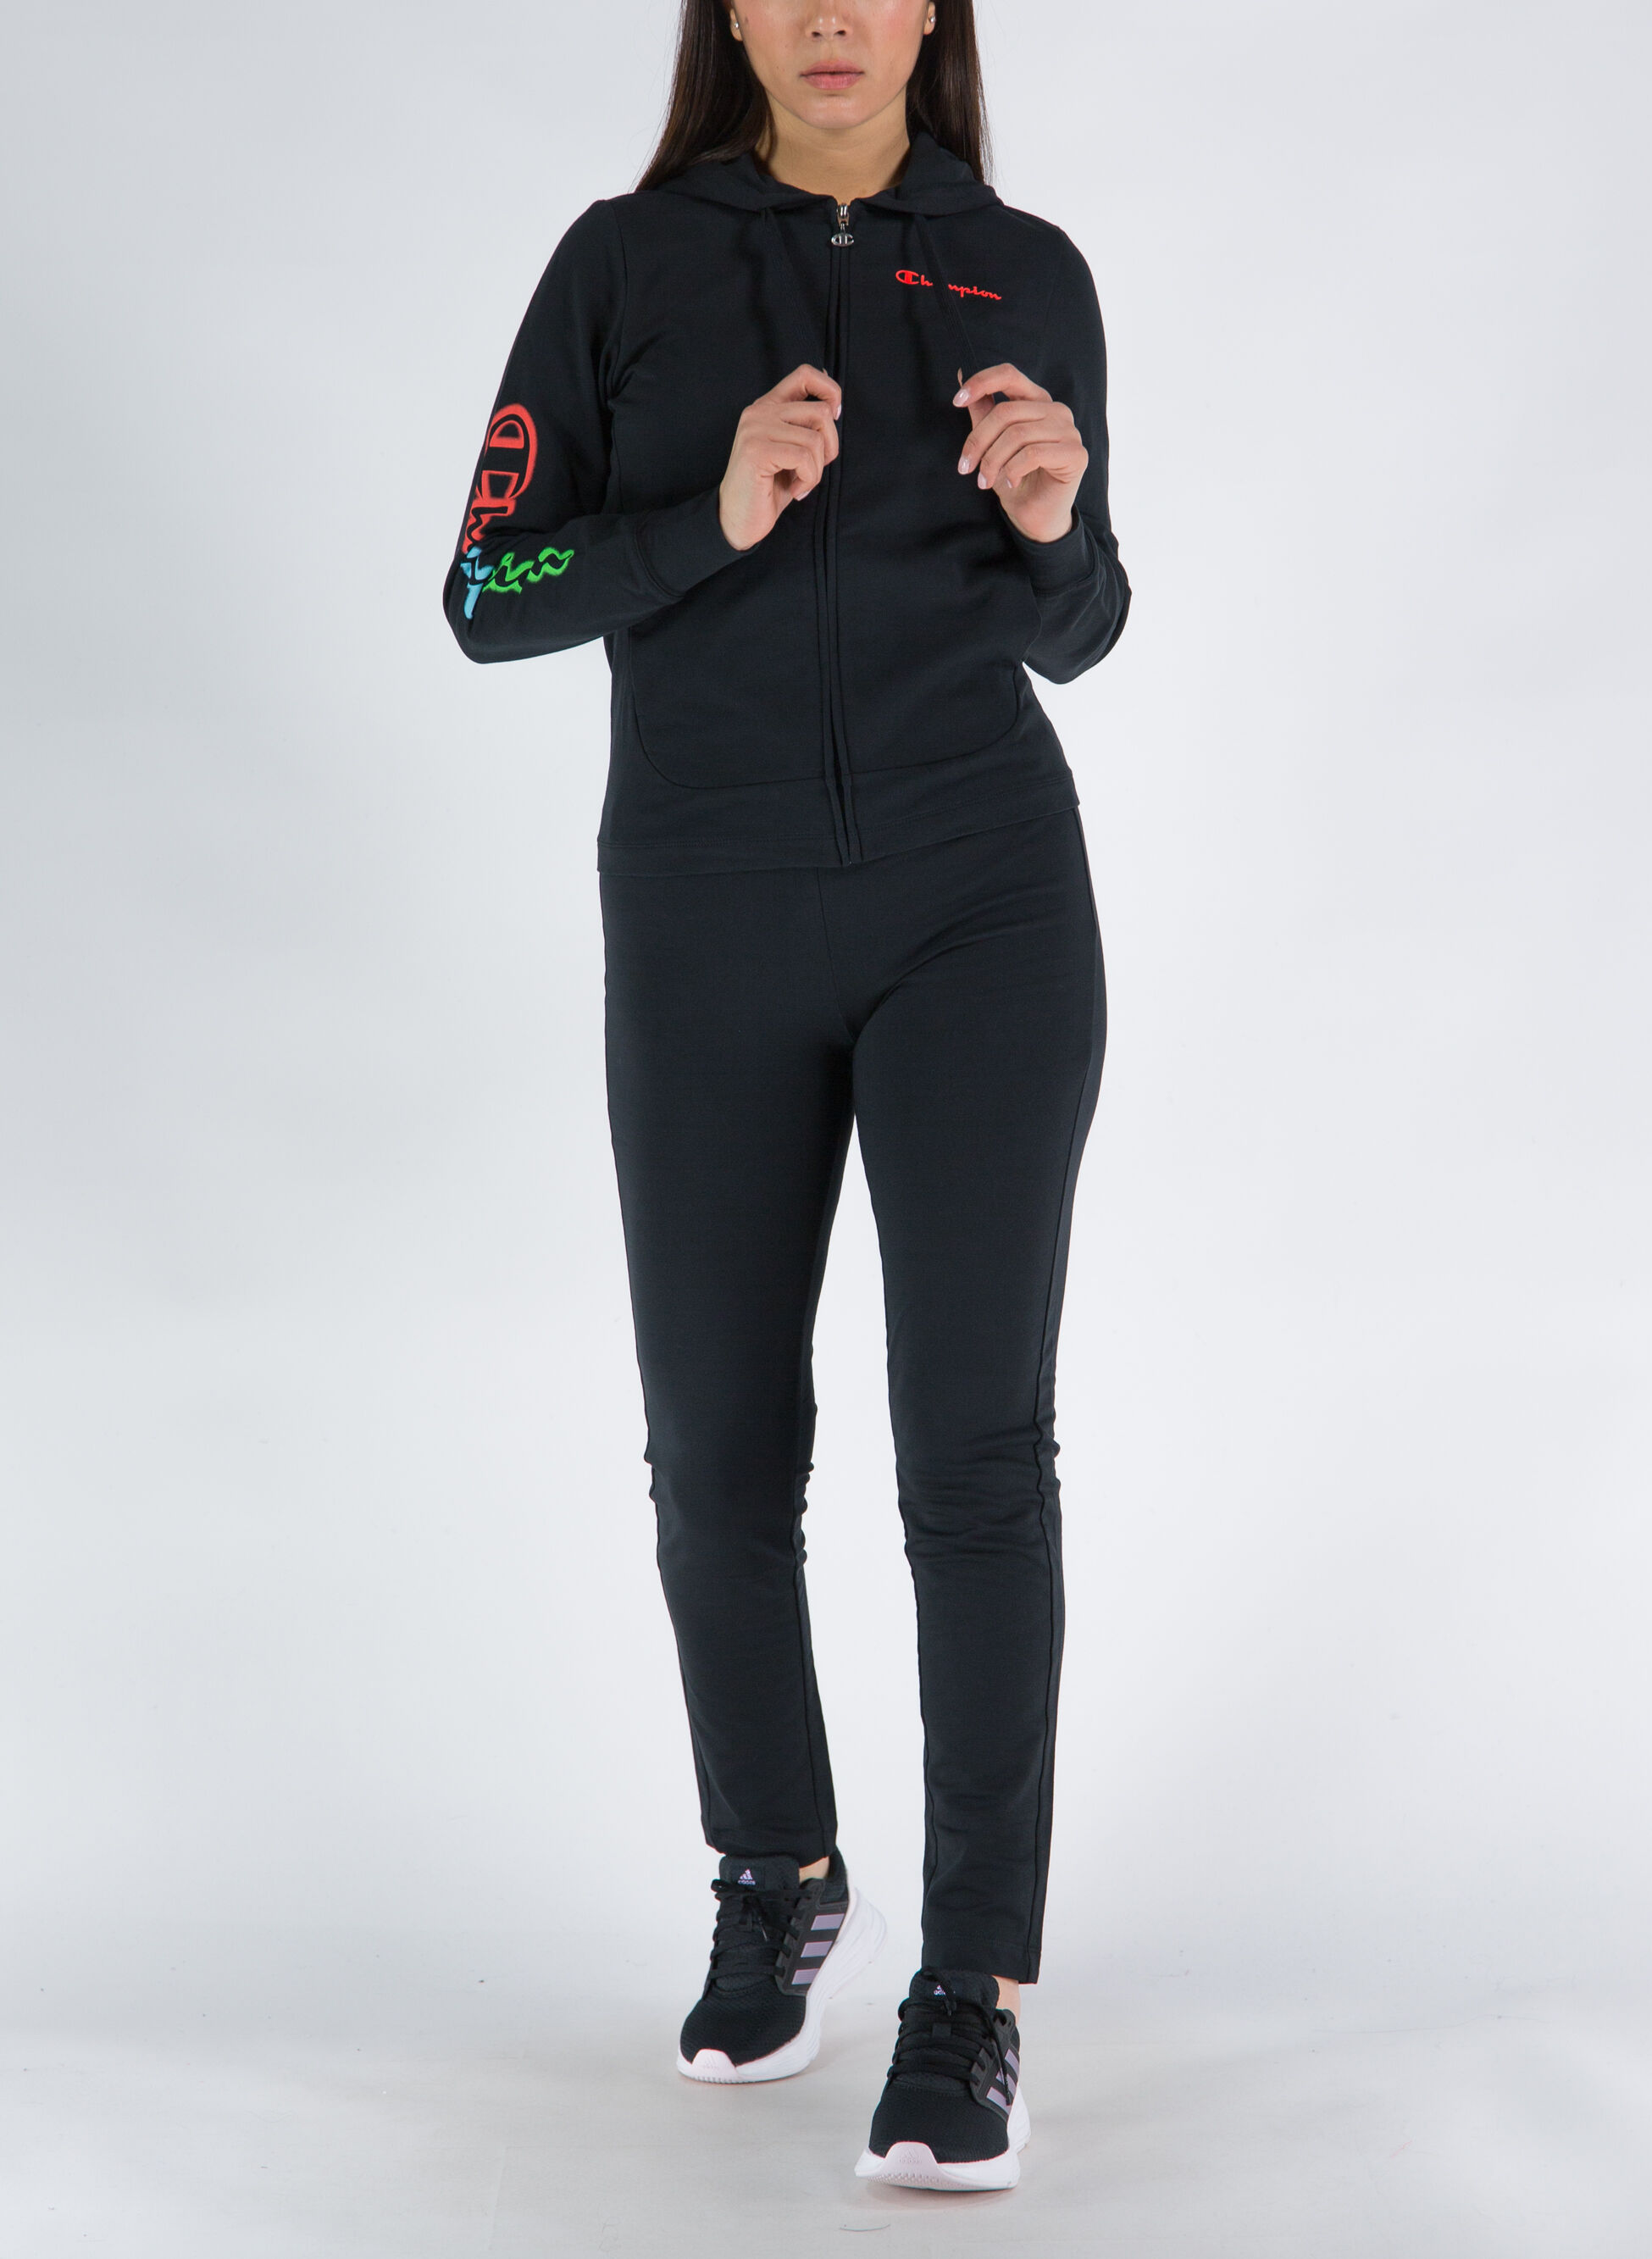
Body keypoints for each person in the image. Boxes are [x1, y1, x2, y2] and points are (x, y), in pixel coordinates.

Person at [443, 0, 1128, 2195]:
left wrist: (1061, 529)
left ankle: (973, 1988)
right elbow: (485, 590)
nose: (834, 17)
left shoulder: (1025, 271)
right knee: (718, 1452)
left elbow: (1084, 628)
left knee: (975, 1453)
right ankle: (780, 1870)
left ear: (930, 11)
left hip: (980, 906)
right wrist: (709, 511)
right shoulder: (622, 267)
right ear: (732, 9)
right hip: (709, 916)